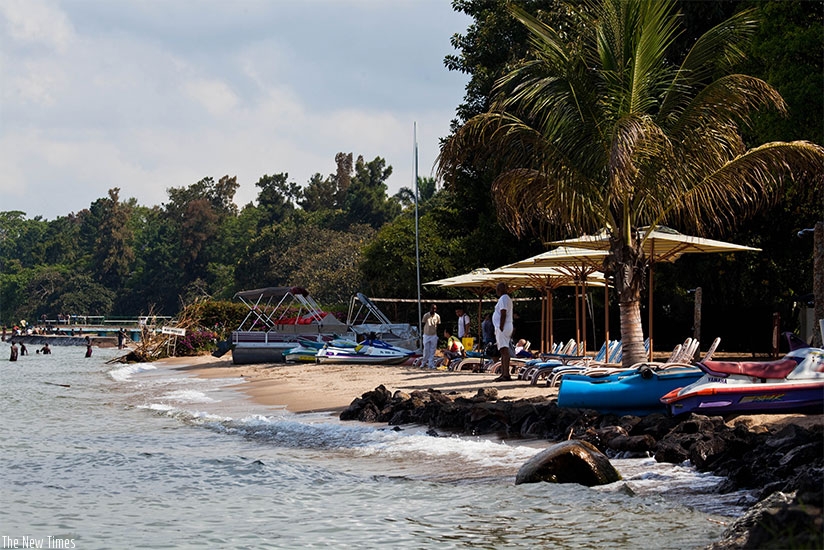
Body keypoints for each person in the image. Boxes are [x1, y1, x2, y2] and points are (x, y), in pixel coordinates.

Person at [493, 282, 514, 381]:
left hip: (503, 327)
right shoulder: (505, 298)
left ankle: (506, 374)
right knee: (502, 351)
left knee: (504, 351)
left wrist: (500, 326)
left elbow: (503, 313)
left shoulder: (503, 298)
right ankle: (503, 373)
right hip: (505, 326)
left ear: (500, 290)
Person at [421, 304, 440, 369]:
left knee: (432, 350)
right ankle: (423, 363)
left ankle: (430, 364)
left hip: (433, 335)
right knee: (426, 350)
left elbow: (438, 325)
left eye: (435, 309)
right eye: (432, 308)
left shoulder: (437, 316)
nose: (433, 310)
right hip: (426, 334)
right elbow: (423, 323)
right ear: (430, 308)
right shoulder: (426, 315)